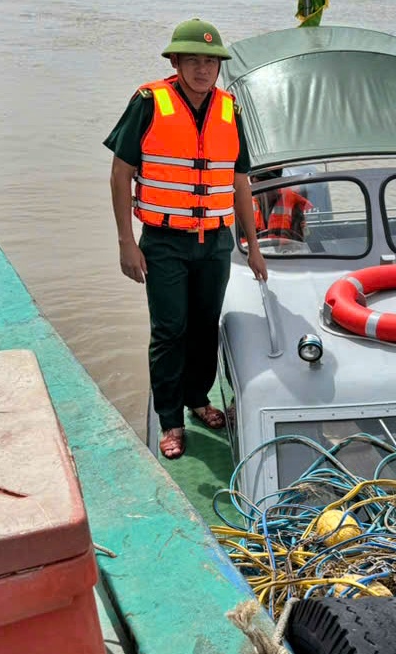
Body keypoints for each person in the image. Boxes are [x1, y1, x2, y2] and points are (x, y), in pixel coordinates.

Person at [105, 18, 267, 459]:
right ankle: (170, 420)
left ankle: (199, 400)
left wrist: (251, 245)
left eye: (210, 62)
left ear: (219, 67)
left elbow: (240, 182)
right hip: (164, 241)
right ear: (175, 62)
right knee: (169, 330)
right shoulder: (148, 102)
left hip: (214, 241)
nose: (202, 69)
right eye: (192, 60)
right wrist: (126, 241)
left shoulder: (229, 108)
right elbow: (121, 173)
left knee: (204, 326)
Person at [252, 171, 313, 243]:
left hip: (285, 252)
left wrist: (305, 231)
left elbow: (305, 236)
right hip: (255, 252)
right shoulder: (245, 206)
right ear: (254, 182)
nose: (274, 191)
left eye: (275, 185)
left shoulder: (292, 205)